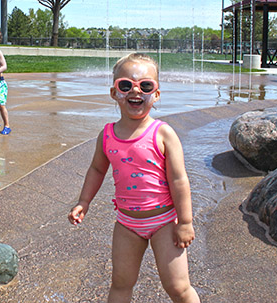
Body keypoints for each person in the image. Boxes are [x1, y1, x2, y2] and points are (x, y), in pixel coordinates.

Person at [68, 53, 200, 303]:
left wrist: (185, 222)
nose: (135, 91)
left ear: (156, 94)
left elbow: (179, 180)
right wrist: (84, 202)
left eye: (145, 86)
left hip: (165, 222)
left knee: (178, 287)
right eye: (125, 85)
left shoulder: (163, 133)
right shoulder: (107, 135)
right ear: (114, 93)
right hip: (127, 224)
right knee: (120, 283)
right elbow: (97, 169)